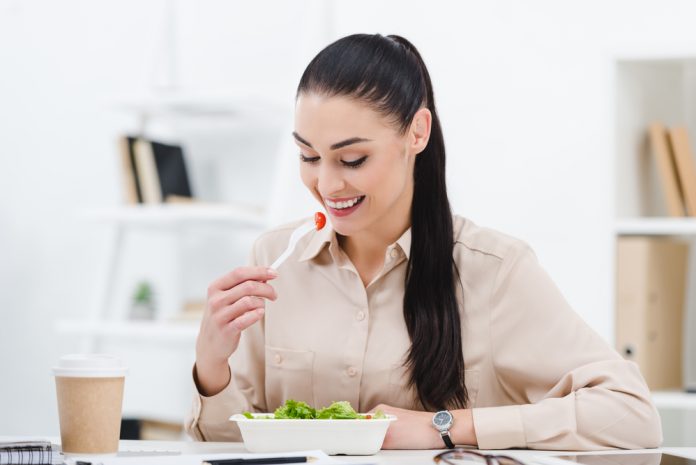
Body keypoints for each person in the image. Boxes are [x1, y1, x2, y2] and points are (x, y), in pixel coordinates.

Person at [186, 33, 662, 450]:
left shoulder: (494, 271)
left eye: (351, 159)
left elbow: (631, 414)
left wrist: (445, 426)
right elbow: (230, 442)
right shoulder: (274, 262)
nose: (326, 185)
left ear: (417, 132)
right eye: (308, 156)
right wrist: (211, 366)